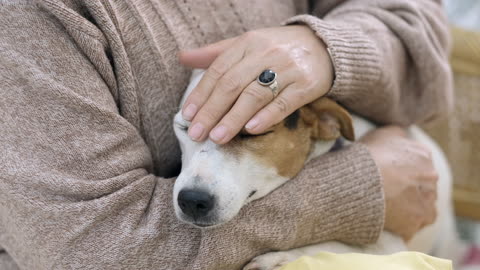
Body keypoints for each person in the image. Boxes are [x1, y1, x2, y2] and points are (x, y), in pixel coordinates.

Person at [0, 0, 451, 269]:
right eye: (187, 130)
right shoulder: (29, 21)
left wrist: (325, 49)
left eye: (250, 133)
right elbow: (85, 249)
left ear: (325, 124)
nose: (192, 183)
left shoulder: (323, 121)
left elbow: (414, 22)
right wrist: (356, 193)